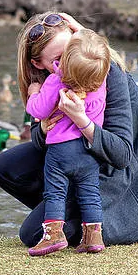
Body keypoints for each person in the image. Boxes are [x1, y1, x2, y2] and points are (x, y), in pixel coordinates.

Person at [0, 11, 138, 250]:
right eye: (59, 58)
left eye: (72, 50)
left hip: (125, 180)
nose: (71, 63)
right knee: (3, 167)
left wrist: (81, 120)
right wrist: (44, 128)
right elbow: (37, 137)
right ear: (38, 64)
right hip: (77, 160)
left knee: (31, 233)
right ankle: (62, 212)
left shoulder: (107, 73)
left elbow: (122, 155)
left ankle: (95, 222)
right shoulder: (47, 80)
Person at [25, 27, 110, 256]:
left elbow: (39, 110)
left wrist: (34, 92)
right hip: (89, 150)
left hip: (61, 150)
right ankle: (93, 237)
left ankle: (53, 235)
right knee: (90, 192)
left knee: (55, 192)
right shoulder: (100, 81)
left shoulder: (57, 80)